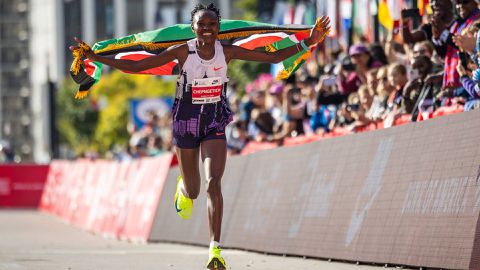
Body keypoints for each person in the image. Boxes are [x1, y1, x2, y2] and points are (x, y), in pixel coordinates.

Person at [69, 3, 330, 269]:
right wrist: (96, 57)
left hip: (215, 120)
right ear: (193, 28)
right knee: (194, 191)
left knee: (213, 183)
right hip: (186, 122)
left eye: (212, 25)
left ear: (219, 28)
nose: (206, 29)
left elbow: (271, 57)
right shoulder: (183, 51)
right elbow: (141, 65)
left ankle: (215, 250)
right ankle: (183, 187)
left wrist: (308, 41)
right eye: (201, 25)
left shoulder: (227, 52)